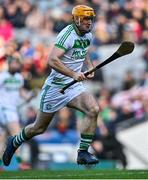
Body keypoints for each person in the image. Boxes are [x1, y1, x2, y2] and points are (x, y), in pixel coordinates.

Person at [2, 5, 99, 166]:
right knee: (39, 128)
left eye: (91, 19)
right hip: (56, 87)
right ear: (76, 19)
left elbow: (85, 50)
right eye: (86, 19)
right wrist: (74, 74)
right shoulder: (67, 35)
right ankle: (14, 141)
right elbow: (52, 60)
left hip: (73, 87)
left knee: (93, 109)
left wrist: (88, 66)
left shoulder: (87, 35)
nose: (89, 22)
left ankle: (82, 152)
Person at [0, 53, 35, 169]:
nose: (16, 65)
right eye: (14, 63)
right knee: (17, 135)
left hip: (12, 110)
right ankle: (20, 163)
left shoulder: (19, 77)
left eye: (17, 63)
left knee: (2, 139)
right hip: (5, 109)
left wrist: (30, 96)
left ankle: (0, 165)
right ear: (9, 64)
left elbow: (22, 94)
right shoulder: (2, 76)